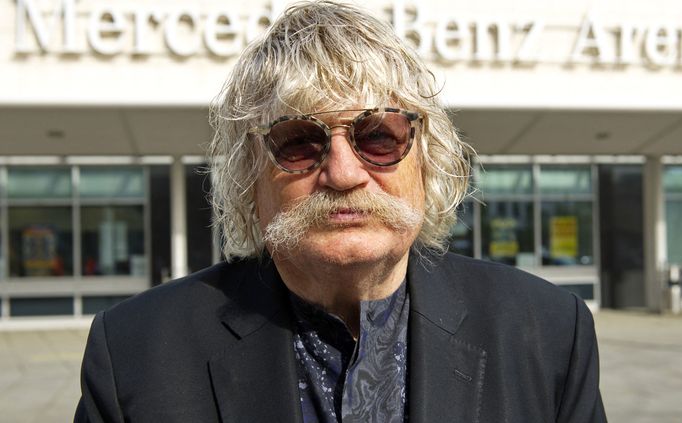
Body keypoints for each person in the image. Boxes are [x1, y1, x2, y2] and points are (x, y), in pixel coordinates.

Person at [74, 1, 607, 422]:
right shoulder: (134, 353)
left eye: (378, 136)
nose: (344, 173)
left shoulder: (548, 331)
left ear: (427, 158)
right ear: (248, 179)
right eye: (299, 142)